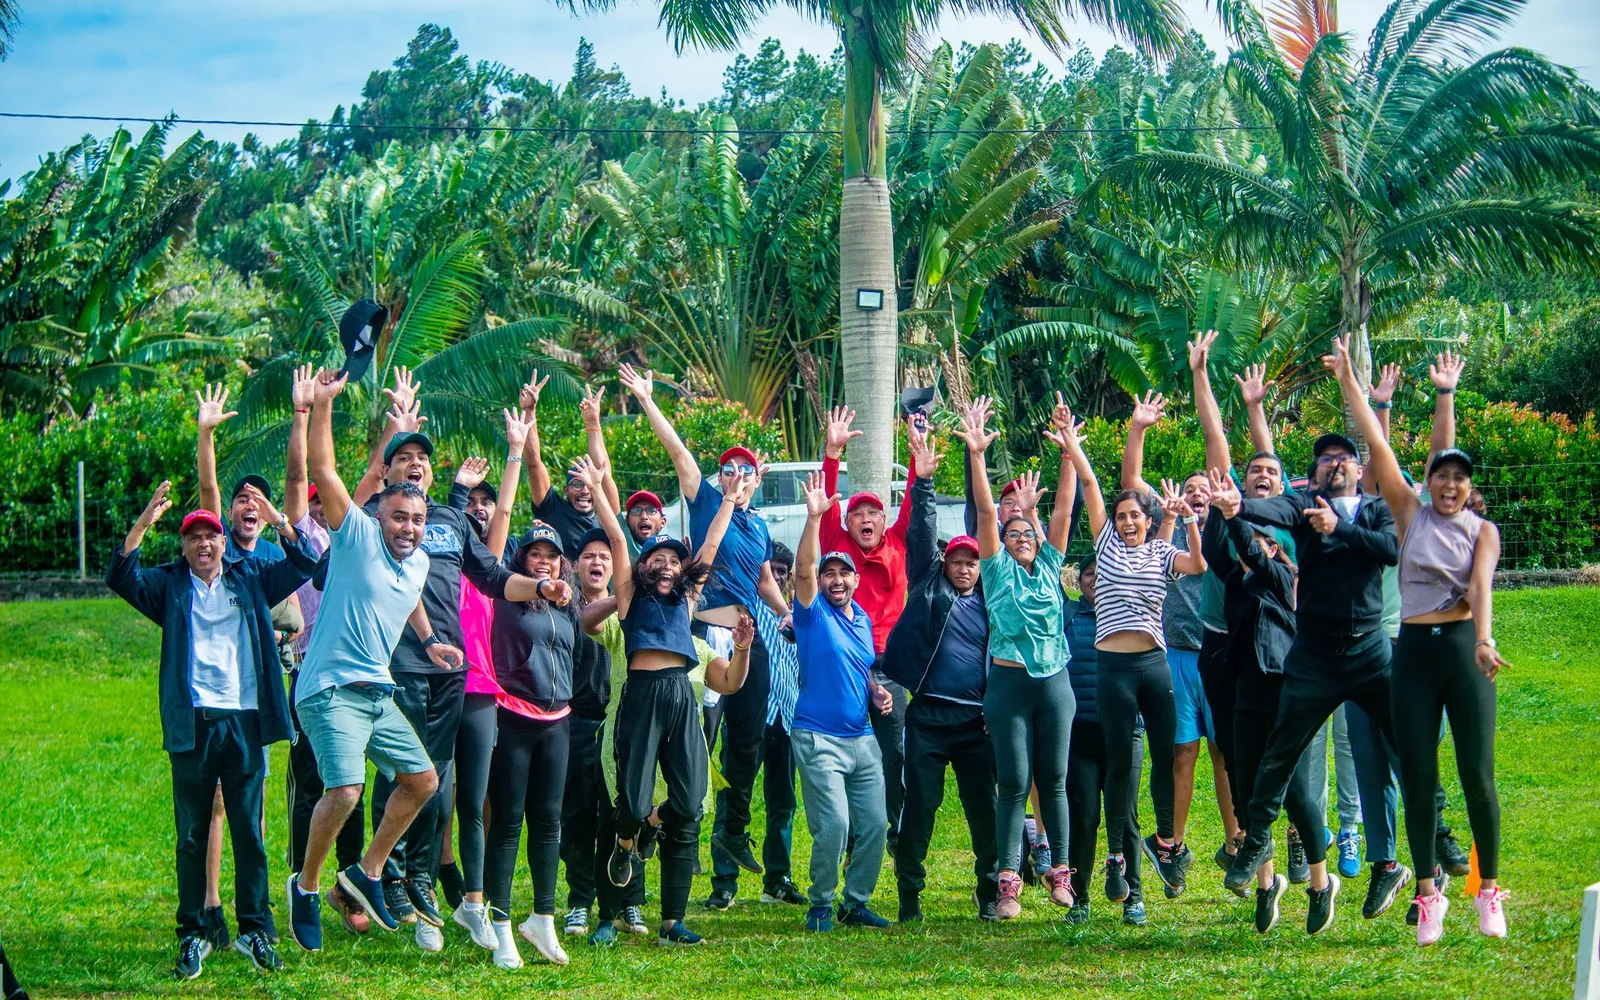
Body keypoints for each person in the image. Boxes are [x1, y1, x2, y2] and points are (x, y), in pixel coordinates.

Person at [285, 368, 544, 953]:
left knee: (423, 780)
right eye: (399, 517)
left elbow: (409, 607)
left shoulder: (421, 562)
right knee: (347, 790)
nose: (408, 527)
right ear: (380, 515)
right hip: (328, 687)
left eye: (417, 521)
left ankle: (368, 874)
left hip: (376, 691)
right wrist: (321, 407)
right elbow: (322, 471)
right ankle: (305, 885)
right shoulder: (355, 534)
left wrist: (430, 641)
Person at [1221, 340, 1403, 936]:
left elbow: (1387, 547)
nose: (1333, 464)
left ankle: (1416, 847)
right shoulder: (1299, 507)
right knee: (1269, 764)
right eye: (1323, 460)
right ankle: (1259, 852)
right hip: (1306, 660)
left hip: (1366, 650)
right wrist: (1233, 507)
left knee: (1389, 749)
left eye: (1341, 459)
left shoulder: (1373, 510)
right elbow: (1265, 502)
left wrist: (1340, 524)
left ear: (1355, 469)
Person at [1330, 342, 1509, 944]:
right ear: (1427, 483)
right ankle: (1428, 894)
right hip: (1411, 654)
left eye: (1460, 478)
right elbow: (1380, 447)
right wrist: (1352, 382)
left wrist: (1483, 640)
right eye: (1442, 476)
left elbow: (1480, 588)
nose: (1450, 485)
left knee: (1477, 775)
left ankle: (1488, 891)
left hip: (1463, 651)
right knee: (1420, 775)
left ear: (1469, 487)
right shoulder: (1409, 513)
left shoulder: (1483, 531)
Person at [106, 480, 316, 978]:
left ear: (224, 543)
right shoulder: (170, 585)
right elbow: (120, 575)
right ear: (183, 546)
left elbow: (306, 563)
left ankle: (255, 931)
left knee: (249, 832)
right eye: (193, 537)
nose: (204, 544)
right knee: (192, 835)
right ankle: (194, 933)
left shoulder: (251, 578)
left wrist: (278, 518)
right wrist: (141, 525)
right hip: (193, 726)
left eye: (211, 536)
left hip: (244, 722)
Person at [616, 364, 792, 911]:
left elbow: (764, 580)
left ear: (758, 480)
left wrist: (788, 616)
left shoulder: (759, 525)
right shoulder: (705, 502)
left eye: (747, 468)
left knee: (750, 743)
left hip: (749, 632)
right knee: (699, 744)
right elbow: (677, 454)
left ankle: (730, 833)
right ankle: (666, 842)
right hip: (700, 633)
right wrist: (647, 400)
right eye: (729, 468)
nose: (738, 474)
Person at [580, 456, 754, 946]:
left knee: (690, 802)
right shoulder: (632, 598)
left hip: (682, 693)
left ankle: (671, 921)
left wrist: (729, 500)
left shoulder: (688, 599)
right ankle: (618, 879)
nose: (669, 565)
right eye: (659, 559)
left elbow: (713, 544)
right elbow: (617, 539)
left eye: (676, 561)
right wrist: (597, 489)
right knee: (629, 803)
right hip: (641, 695)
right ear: (643, 566)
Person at [1058, 395, 1207, 915]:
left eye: (1133, 516)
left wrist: (1185, 518)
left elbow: (1198, 565)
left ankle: (1167, 843)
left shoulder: (1162, 551)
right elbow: (1097, 485)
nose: (1125, 521)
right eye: (1120, 516)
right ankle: (1117, 859)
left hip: (1153, 664)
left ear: (1147, 519)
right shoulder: (1105, 546)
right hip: (1115, 668)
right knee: (1121, 764)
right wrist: (1080, 446)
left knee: (1166, 753)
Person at [961, 396, 1080, 920]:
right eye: (1013, 535)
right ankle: (1008, 883)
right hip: (1007, 688)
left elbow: (1064, 509)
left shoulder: (1051, 565)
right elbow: (988, 510)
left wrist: (1069, 452)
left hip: (1054, 685)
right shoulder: (996, 572)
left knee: (1053, 780)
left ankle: (1062, 876)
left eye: (1027, 533)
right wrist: (978, 453)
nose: (1022, 538)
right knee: (1012, 783)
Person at [1119, 372, 1234, 898]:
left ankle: (1237, 842)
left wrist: (1200, 377)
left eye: (1202, 490)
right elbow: (1130, 481)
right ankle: (1173, 847)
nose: (1194, 496)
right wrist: (1138, 430)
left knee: (1223, 750)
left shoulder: (1224, 530)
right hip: (1176, 657)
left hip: (1221, 653)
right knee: (1182, 751)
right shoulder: (1160, 533)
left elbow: (1219, 458)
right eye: (1186, 492)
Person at [880, 421, 999, 923]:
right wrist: (922, 481)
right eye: (958, 561)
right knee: (920, 809)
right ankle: (910, 899)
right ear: (945, 564)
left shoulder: (995, 599)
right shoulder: (930, 582)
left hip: (977, 723)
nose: (966, 567)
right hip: (927, 718)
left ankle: (990, 892)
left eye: (972, 562)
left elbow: (990, 520)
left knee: (985, 816)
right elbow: (922, 531)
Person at [278, 365, 369, 937]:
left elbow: (364, 484)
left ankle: (347, 886)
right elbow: (298, 478)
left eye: (321, 502)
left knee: (351, 783)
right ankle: (300, 881)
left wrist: (392, 431)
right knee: (312, 784)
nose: (316, 507)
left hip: (352, 679)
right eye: (310, 503)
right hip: (309, 675)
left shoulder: (354, 536)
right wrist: (304, 413)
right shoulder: (304, 535)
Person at [439, 411, 533, 952]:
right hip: (434, 682)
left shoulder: (488, 563)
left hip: (481, 688)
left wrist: (516, 448)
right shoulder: (434, 559)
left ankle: (470, 893)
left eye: (483, 504)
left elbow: (502, 507)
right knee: (434, 794)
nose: (479, 510)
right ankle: (433, 880)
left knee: (475, 797)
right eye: (469, 503)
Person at [1202, 474, 1307, 933]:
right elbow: (1212, 550)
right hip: (1246, 692)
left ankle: (1320, 882)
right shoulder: (1235, 585)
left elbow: (1251, 551)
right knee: (1244, 782)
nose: (1252, 549)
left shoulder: (1281, 578)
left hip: (1284, 691)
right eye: (1250, 543)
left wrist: (1238, 517)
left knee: (1294, 792)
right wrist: (1213, 507)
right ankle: (1267, 885)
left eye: (1263, 543)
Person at [791, 470, 896, 932]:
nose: (835, 579)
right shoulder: (811, 615)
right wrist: (815, 518)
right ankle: (820, 903)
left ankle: (856, 903)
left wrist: (876, 689)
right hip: (818, 737)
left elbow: (861, 666)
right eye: (829, 573)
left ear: (855, 580)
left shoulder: (860, 621)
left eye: (843, 573)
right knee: (833, 825)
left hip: (862, 739)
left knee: (874, 826)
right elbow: (802, 570)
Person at [482, 522, 580, 969]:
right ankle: (500, 926)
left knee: (549, 822)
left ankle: (542, 918)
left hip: (557, 723)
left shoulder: (567, 608)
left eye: (552, 554)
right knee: (507, 823)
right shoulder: (504, 597)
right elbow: (494, 546)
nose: (545, 559)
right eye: (535, 553)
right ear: (522, 559)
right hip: (514, 719)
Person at [819, 407, 913, 855]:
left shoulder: (897, 541)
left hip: (890, 668)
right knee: (851, 754)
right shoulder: (837, 548)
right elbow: (826, 503)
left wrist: (916, 452)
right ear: (849, 522)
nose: (867, 518)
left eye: (874, 511)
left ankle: (890, 831)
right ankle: (854, 838)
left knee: (893, 755)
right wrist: (833, 452)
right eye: (858, 512)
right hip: (846, 671)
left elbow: (917, 496)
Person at [1062, 556, 1148, 926]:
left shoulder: (1133, 616)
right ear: (1078, 581)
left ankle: (1134, 896)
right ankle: (1080, 898)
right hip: (1079, 732)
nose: (1096, 580)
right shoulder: (1066, 617)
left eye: (1103, 574)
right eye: (1089, 575)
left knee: (1124, 817)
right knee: (1083, 818)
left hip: (1125, 733)